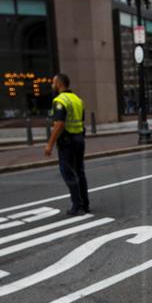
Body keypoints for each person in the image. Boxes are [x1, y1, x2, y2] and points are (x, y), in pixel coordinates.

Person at [44, 73, 90, 216]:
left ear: (59, 84)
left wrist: (50, 144)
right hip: (79, 139)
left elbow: (59, 124)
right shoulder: (77, 100)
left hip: (67, 141)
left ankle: (77, 205)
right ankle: (85, 204)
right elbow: (81, 121)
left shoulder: (60, 100)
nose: (52, 85)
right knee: (80, 172)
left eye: (53, 83)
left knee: (69, 173)